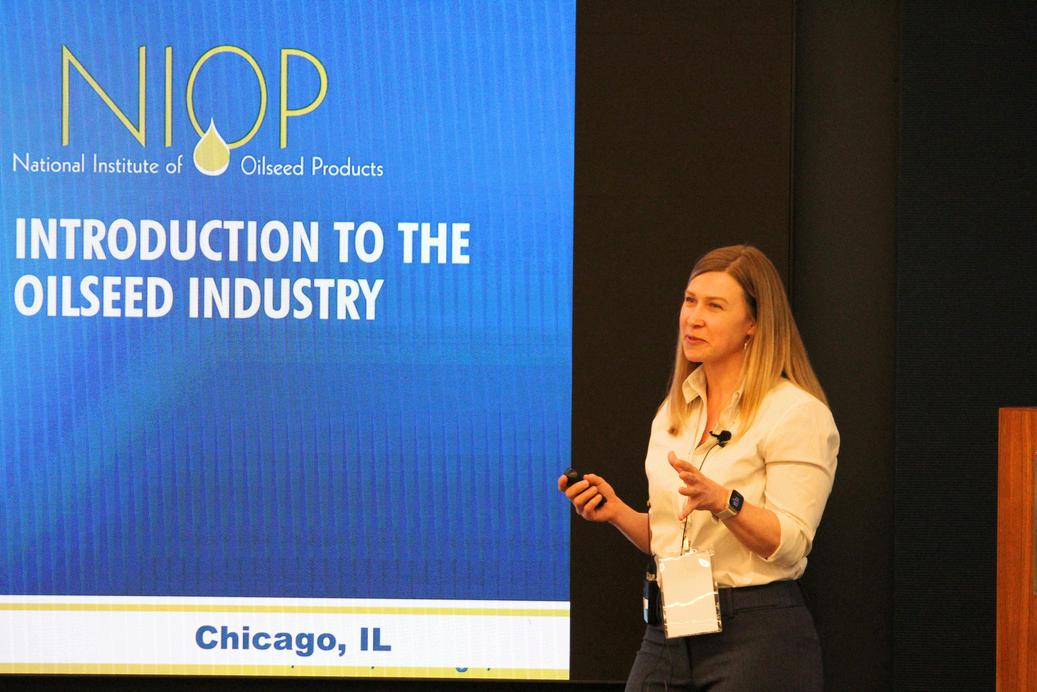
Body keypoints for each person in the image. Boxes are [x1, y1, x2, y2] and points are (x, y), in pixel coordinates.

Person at [559, 245, 838, 691]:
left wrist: (725, 503)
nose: (693, 318)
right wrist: (617, 513)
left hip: (756, 635)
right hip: (668, 632)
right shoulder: (673, 413)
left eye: (714, 306)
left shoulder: (795, 413)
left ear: (754, 323)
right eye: (690, 301)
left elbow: (790, 545)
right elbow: (671, 537)